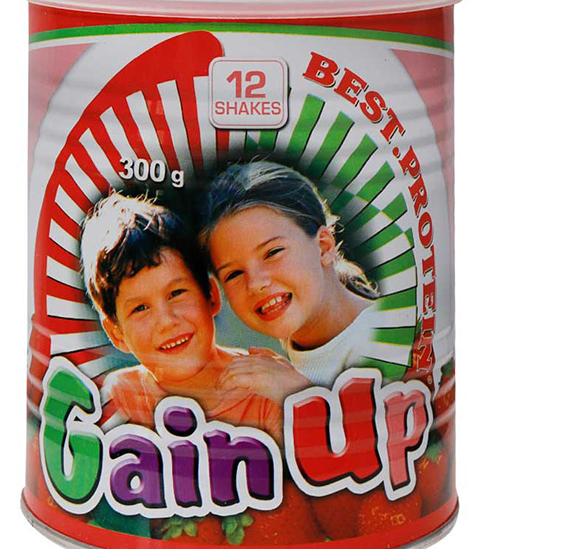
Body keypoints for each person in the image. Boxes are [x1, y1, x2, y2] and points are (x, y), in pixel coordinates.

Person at [79, 192, 282, 441]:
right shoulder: (119, 398)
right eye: (140, 308)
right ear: (116, 333)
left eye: (176, 293)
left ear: (211, 295)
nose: (167, 321)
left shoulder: (265, 386)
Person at [198, 161, 379, 401]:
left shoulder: (392, 338)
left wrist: (296, 393)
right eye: (233, 274)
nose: (255, 284)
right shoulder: (287, 366)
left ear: (324, 246)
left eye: (272, 253)